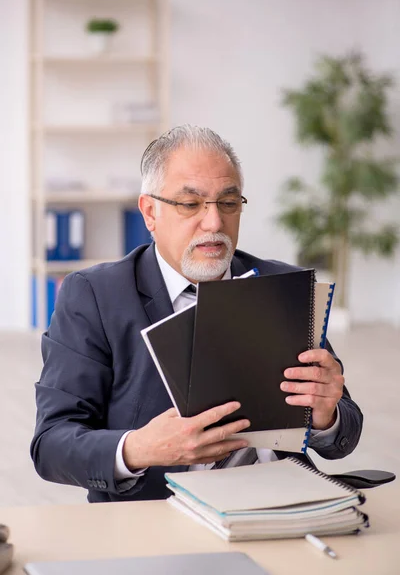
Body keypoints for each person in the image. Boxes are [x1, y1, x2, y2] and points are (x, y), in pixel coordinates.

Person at [31, 125, 363, 503]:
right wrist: (138, 448)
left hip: (281, 505)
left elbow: (343, 433)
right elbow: (51, 444)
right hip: (157, 517)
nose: (214, 223)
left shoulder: (283, 284)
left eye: (228, 202)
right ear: (149, 212)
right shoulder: (92, 295)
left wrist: (327, 414)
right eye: (190, 205)